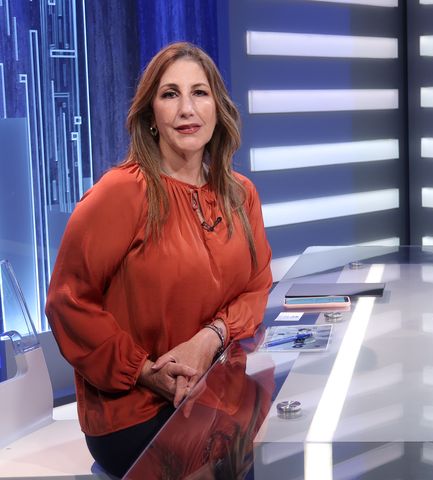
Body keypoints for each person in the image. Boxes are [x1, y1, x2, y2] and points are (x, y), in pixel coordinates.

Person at [45, 41, 272, 478]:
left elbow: (257, 286)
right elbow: (67, 302)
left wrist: (209, 338)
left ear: (217, 109)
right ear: (151, 115)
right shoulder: (121, 194)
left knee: (285, 441)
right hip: (136, 408)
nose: (187, 108)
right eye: (170, 94)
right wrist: (147, 371)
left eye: (199, 93)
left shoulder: (241, 194)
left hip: (218, 389)